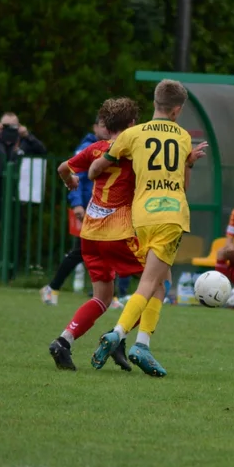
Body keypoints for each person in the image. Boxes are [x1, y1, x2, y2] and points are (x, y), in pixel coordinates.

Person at [88, 79, 208, 377]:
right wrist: (189, 162)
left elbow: (96, 169)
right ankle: (119, 333)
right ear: (177, 110)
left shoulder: (132, 134)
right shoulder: (182, 137)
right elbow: (183, 185)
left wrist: (93, 170)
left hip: (141, 216)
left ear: (155, 102)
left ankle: (143, 344)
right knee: (150, 282)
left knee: (161, 283)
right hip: (170, 216)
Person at [47, 98, 144, 371]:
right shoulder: (132, 150)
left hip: (90, 233)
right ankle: (117, 337)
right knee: (157, 285)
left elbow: (63, 168)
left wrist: (71, 183)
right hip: (118, 232)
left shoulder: (94, 149)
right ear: (131, 125)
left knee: (101, 297)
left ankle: (63, 341)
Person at [40, 113, 119, 306]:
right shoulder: (87, 149)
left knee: (99, 250)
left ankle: (104, 294)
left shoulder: (111, 148)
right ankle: (53, 287)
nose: (105, 129)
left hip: (103, 209)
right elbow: (75, 177)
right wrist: (77, 204)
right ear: (94, 127)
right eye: (102, 125)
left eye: (108, 126)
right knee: (82, 251)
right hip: (89, 209)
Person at [0, 112, 47, 275]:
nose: (9, 130)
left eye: (13, 126)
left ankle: (12, 269)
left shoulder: (25, 141)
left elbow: (43, 151)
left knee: (15, 230)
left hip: (15, 191)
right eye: (5, 126)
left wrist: (29, 136)